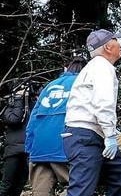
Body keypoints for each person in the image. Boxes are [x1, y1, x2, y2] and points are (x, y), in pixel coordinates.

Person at [63, 29, 121, 196]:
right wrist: (109, 135)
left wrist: (111, 132)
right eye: (117, 41)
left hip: (90, 134)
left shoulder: (93, 68)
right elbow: (103, 103)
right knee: (82, 190)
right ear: (108, 47)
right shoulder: (102, 67)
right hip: (85, 138)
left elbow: (89, 105)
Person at [25, 56, 87, 196]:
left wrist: (30, 150)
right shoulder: (83, 83)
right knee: (79, 189)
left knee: (40, 193)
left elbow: (33, 118)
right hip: (64, 146)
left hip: (39, 148)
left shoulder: (50, 86)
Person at [0, 81, 35, 196]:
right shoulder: (8, 106)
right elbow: (15, 119)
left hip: (27, 149)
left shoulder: (33, 104)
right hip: (13, 151)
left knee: (20, 184)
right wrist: (18, 99)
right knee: (7, 185)